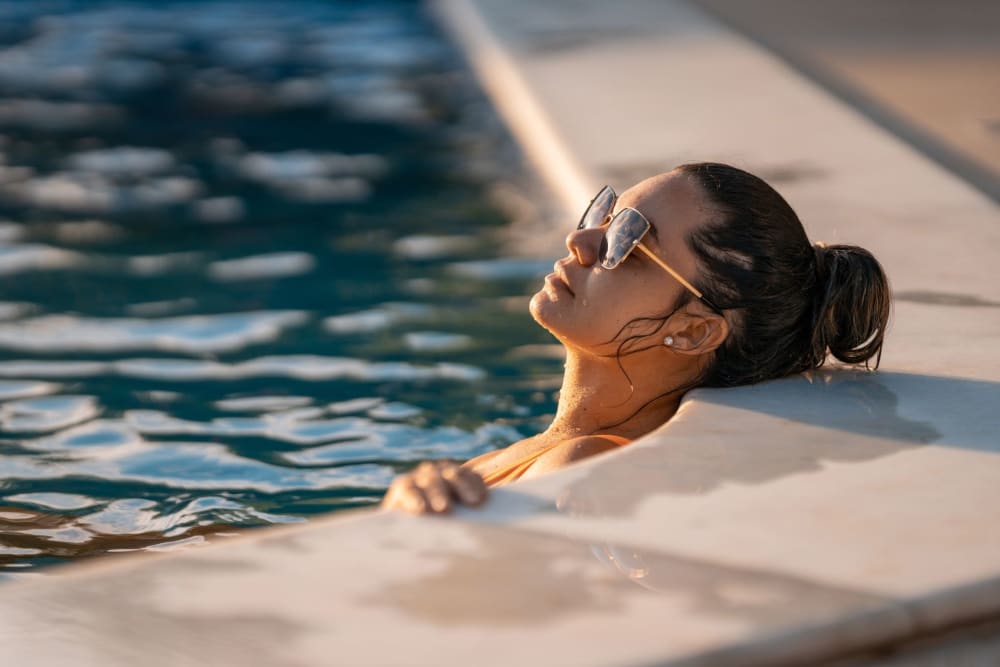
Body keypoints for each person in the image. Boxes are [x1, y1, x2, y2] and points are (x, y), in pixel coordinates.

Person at [382, 162, 891, 514]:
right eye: (605, 216)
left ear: (693, 330)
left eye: (627, 243)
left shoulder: (579, 465)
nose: (580, 241)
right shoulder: (553, 449)